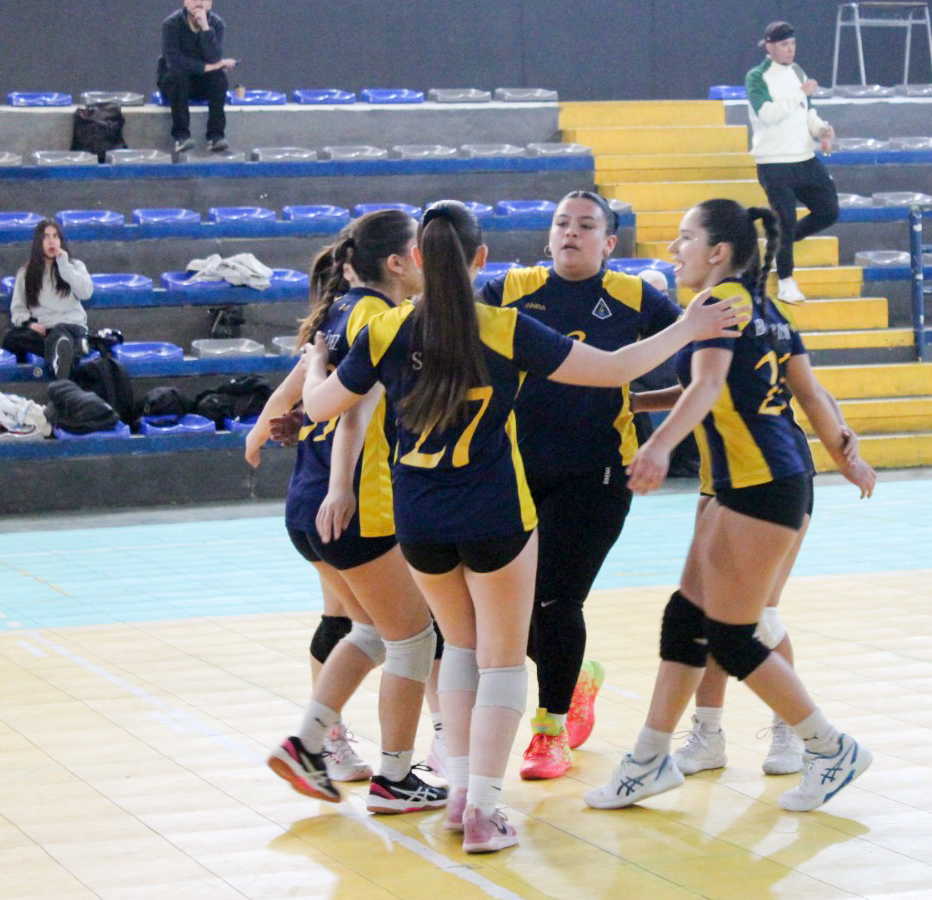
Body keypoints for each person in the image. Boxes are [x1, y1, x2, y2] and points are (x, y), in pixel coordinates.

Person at [299, 200, 743, 853]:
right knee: (502, 662)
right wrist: (688, 327)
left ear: (418, 259)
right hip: (494, 513)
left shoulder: (387, 330)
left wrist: (315, 362)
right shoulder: (503, 326)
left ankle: (456, 795)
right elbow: (615, 370)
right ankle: (482, 811)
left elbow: (318, 407)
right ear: (481, 259)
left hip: (418, 518)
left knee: (459, 650)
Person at [585, 198, 877, 814]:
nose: (674, 250)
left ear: (717, 251)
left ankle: (829, 748)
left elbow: (710, 385)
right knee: (686, 618)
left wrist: (657, 446)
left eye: (685, 237)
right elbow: (804, 391)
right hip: (756, 481)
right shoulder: (764, 307)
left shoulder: (719, 303)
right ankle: (649, 759)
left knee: (734, 635)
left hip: (761, 484)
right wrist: (844, 454)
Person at [248, 211, 447, 815]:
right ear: (397, 263)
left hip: (306, 502)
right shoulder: (378, 318)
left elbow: (302, 381)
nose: (425, 263)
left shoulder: (336, 313)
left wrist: (260, 430)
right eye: (418, 252)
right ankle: (395, 778)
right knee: (414, 639)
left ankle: (308, 744)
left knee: (371, 631)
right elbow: (355, 409)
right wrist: (343, 486)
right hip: (356, 502)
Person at [478, 191, 682, 781]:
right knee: (507, 610)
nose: (571, 232)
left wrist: (642, 405)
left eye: (586, 225)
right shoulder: (508, 290)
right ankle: (577, 678)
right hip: (512, 471)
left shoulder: (636, 298)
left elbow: (704, 366)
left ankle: (550, 732)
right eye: (562, 223)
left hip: (598, 473)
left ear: (609, 243)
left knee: (556, 598)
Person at [745, 20, 839, 304]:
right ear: (770, 46)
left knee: (829, 210)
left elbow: (807, 112)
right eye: (784, 44)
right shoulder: (757, 76)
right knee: (785, 219)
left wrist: (821, 129)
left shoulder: (798, 72)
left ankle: (780, 244)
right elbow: (767, 114)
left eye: (793, 44)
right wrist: (800, 93)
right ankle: (786, 281)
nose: (790, 49)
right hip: (774, 162)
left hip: (804, 157)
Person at [3, 219, 92, 379]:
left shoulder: (75, 266)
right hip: (44, 330)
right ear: (38, 242)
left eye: (55, 236)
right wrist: (29, 323)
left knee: (60, 333)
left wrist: (65, 266)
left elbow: (86, 293)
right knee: (10, 338)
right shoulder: (26, 272)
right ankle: (71, 350)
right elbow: (18, 309)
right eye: (46, 237)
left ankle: (62, 357)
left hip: (70, 326)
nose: (51, 241)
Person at [157, 0, 236, 154]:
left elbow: (214, 57)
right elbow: (174, 61)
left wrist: (206, 28)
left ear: (210, 4)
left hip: (200, 81)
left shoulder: (217, 24)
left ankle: (216, 137)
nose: (199, 3)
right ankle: (181, 137)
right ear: (185, 2)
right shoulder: (171, 24)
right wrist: (209, 67)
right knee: (178, 76)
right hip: (173, 80)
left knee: (219, 78)